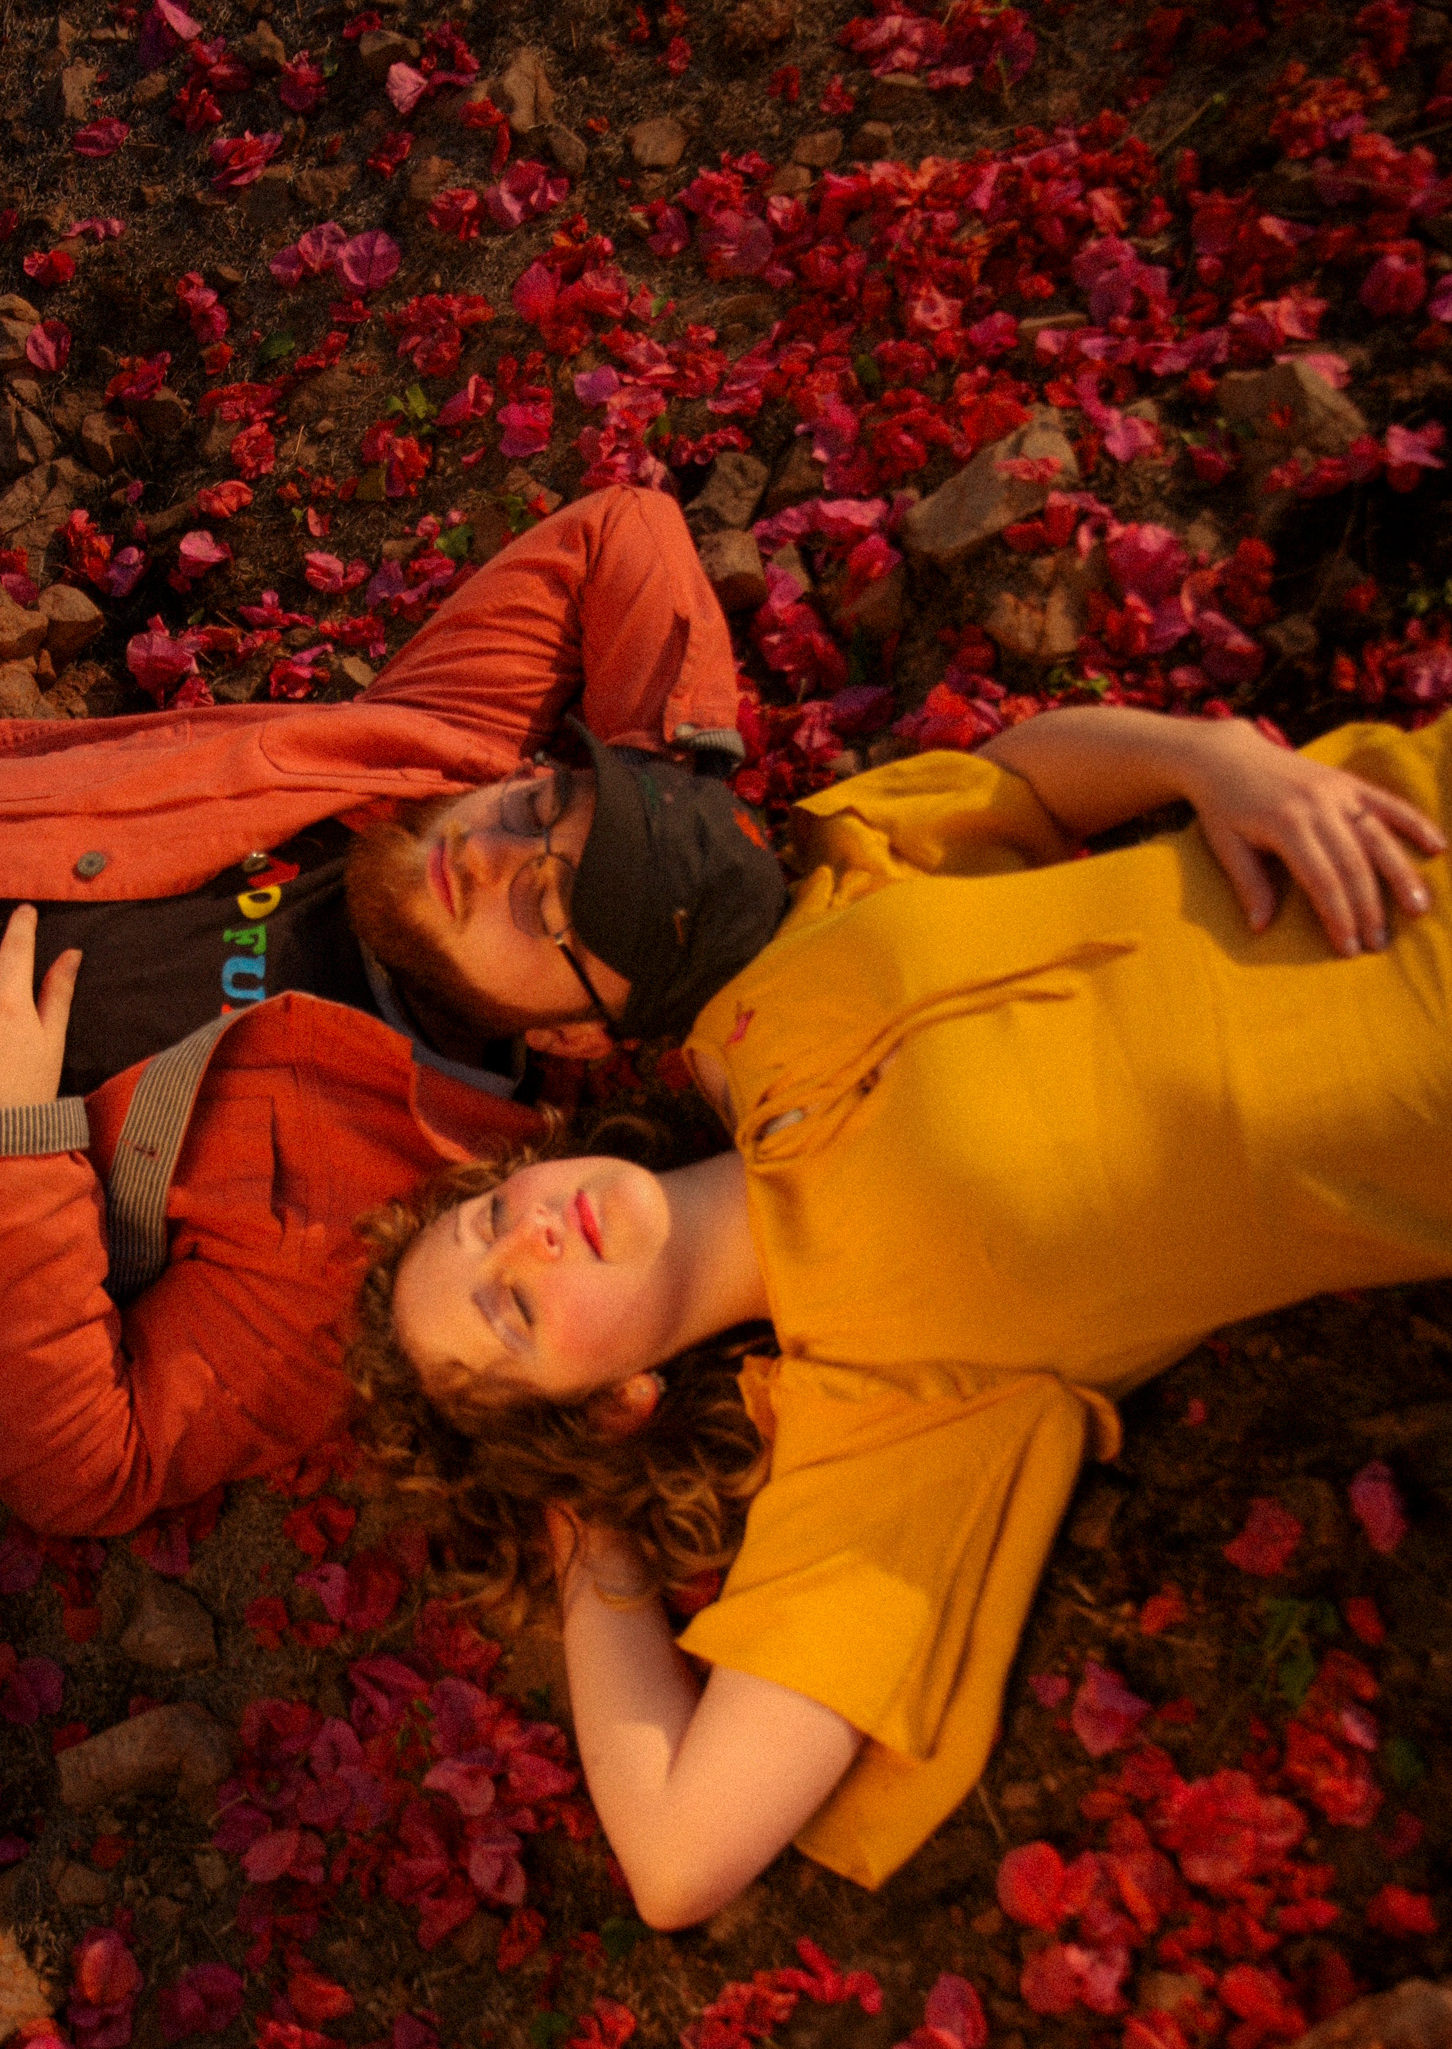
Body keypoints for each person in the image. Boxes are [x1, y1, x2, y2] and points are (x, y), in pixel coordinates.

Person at [345, 704, 1452, 1930]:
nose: (532, 1238)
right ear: (611, 1403)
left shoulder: (752, 990)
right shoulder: (879, 1401)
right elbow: (675, 1856)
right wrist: (577, 1510)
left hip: (1407, 803)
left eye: (489, 1216)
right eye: (514, 1311)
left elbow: (1007, 787)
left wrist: (1209, 759)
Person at [0, 487, 788, 1526]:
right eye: (539, 810)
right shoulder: (441, 757)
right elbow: (620, 529)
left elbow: (90, 1470)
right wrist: (671, 796)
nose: (486, 856)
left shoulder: (375, 1217)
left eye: (547, 909)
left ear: (571, 1033)